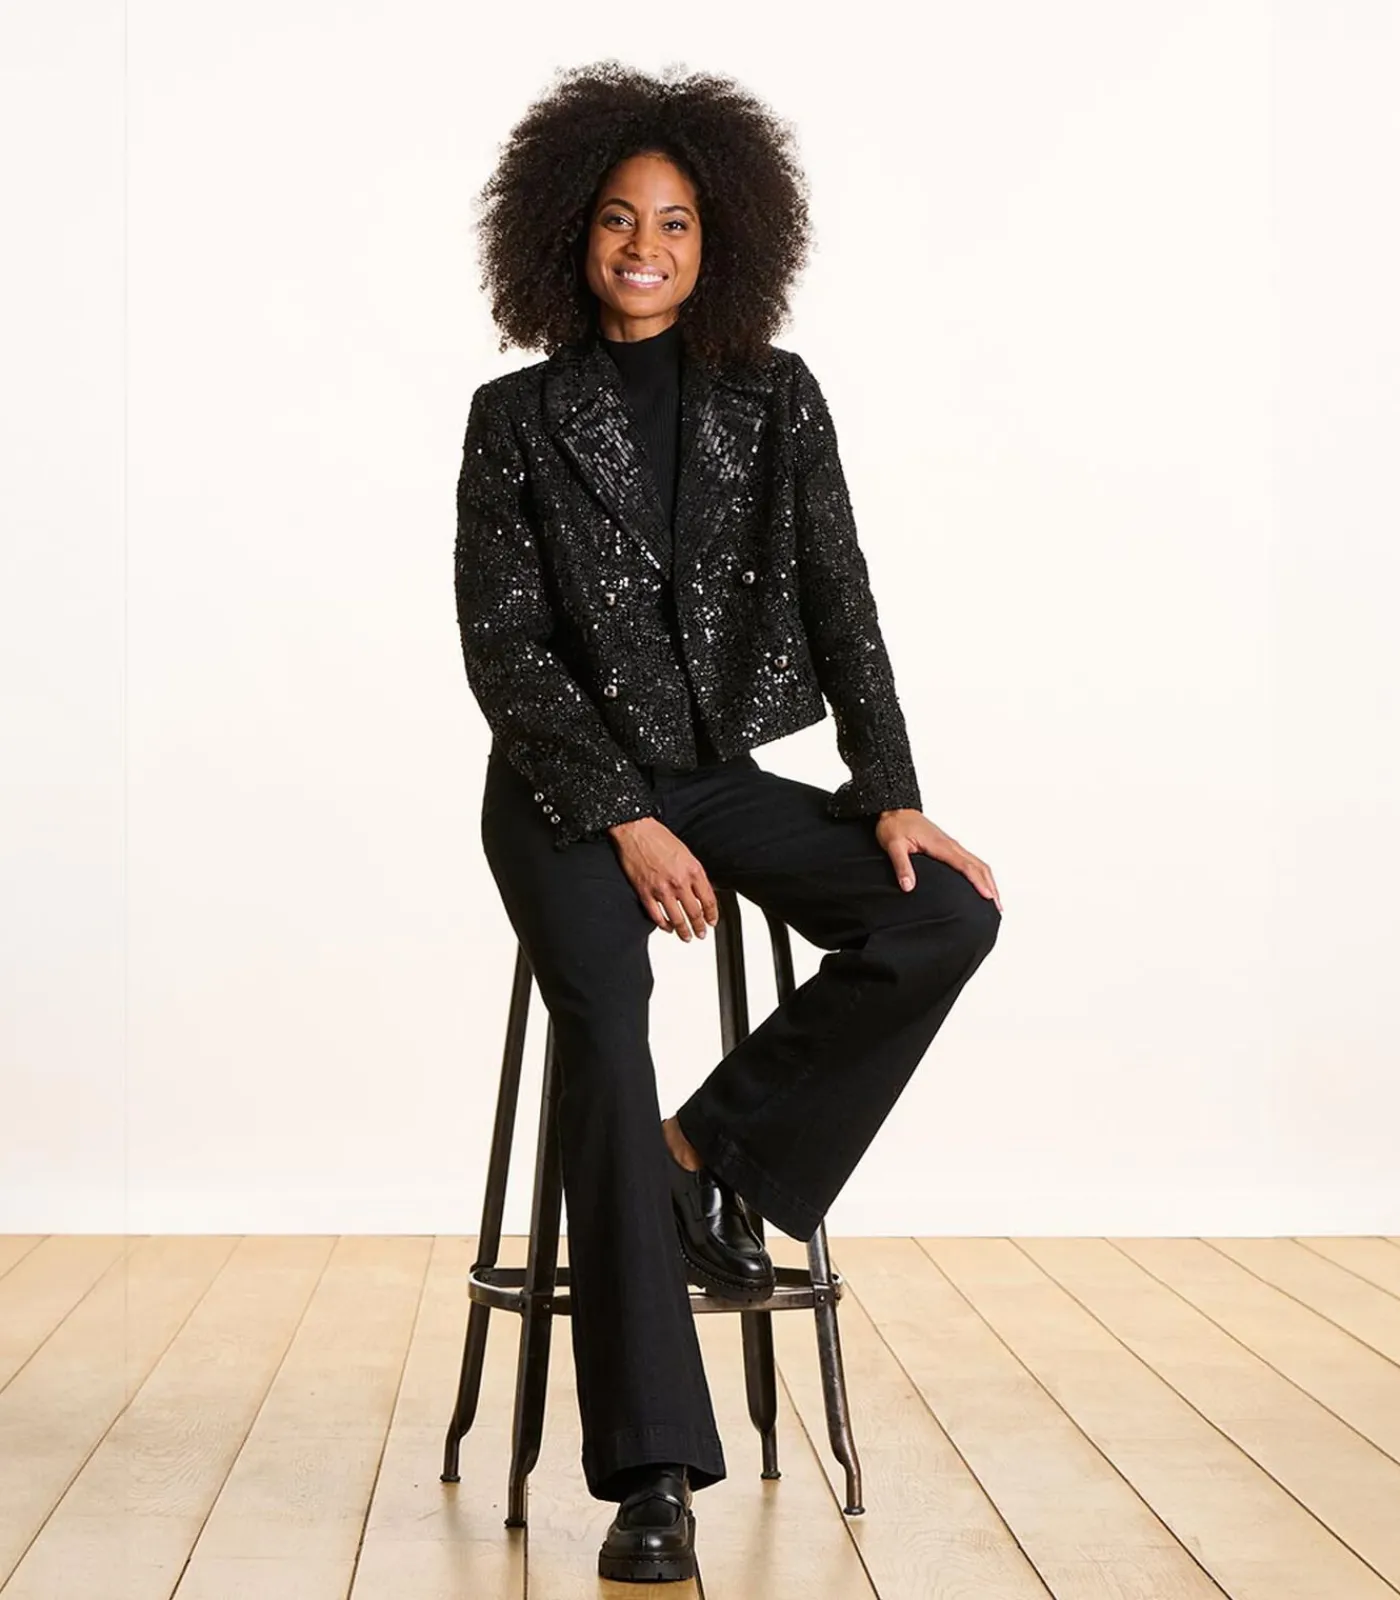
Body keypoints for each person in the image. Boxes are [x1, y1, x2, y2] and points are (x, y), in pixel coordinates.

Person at [455, 60, 1002, 1583]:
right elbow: (506, 654)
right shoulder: (514, 419)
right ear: (569, 234)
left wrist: (891, 791)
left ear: (721, 241)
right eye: (619, 219)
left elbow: (840, 595)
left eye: (678, 223)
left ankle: (706, 1159)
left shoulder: (776, 396)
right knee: (607, 1026)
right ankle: (651, 1472)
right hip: (563, 793)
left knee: (945, 913)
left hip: (715, 774)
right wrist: (625, 820)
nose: (646, 246)